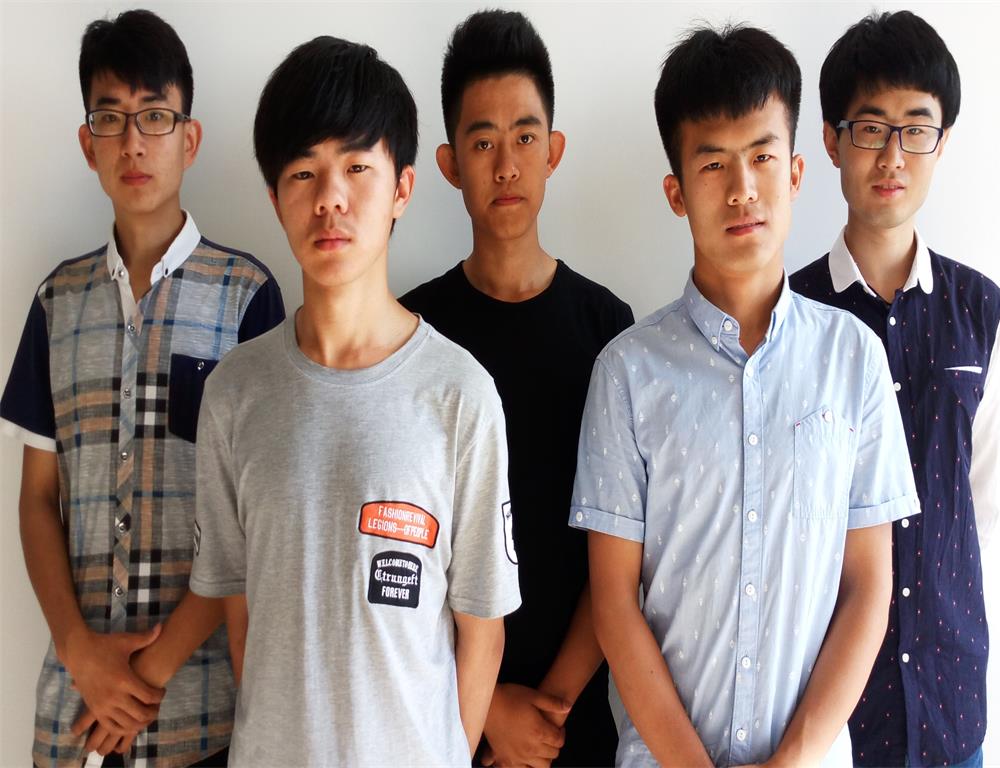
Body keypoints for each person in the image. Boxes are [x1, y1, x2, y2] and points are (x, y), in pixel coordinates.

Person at [569, 25, 921, 766]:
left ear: (795, 172)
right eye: (713, 163)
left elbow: (868, 588)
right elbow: (614, 601)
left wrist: (793, 758)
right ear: (676, 192)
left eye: (762, 156)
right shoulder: (627, 372)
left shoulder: (854, 358)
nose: (742, 189)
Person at [182, 36, 521, 766]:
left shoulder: (460, 395)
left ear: (402, 187)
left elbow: (482, 631)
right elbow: (240, 617)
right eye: (304, 172)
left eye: (357, 167)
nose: (330, 198)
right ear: (275, 199)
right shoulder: (234, 394)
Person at [0, 8, 284, 766]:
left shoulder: (247, 297)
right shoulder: (56, 303)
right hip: (75, 713)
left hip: (205, 713)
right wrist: (79, 652)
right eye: (111, 118)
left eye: (155, 116)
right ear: (86, 142)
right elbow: (36, 499)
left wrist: (146, 675)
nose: (133, 142)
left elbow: (255, 520)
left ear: (189, 139)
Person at [401, 10, 632, 766]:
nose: (506, 165)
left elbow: (622, 546)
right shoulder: (410, 333)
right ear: (448, 163)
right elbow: (397, 546)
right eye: (482, 142)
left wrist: (549, 709)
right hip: (446, 715)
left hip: (579, 720)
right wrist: (489, 707)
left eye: (525, 138)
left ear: (553, 151)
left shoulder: (609, 329)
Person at [791, 12, 1000, 768]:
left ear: (941, 142)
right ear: (831, 140)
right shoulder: (790, 315)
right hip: (825, 712)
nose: (892, 155)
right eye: (871, 128)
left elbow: (983, 504)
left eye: (915, 129)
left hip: (952, 698)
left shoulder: (982, 312)